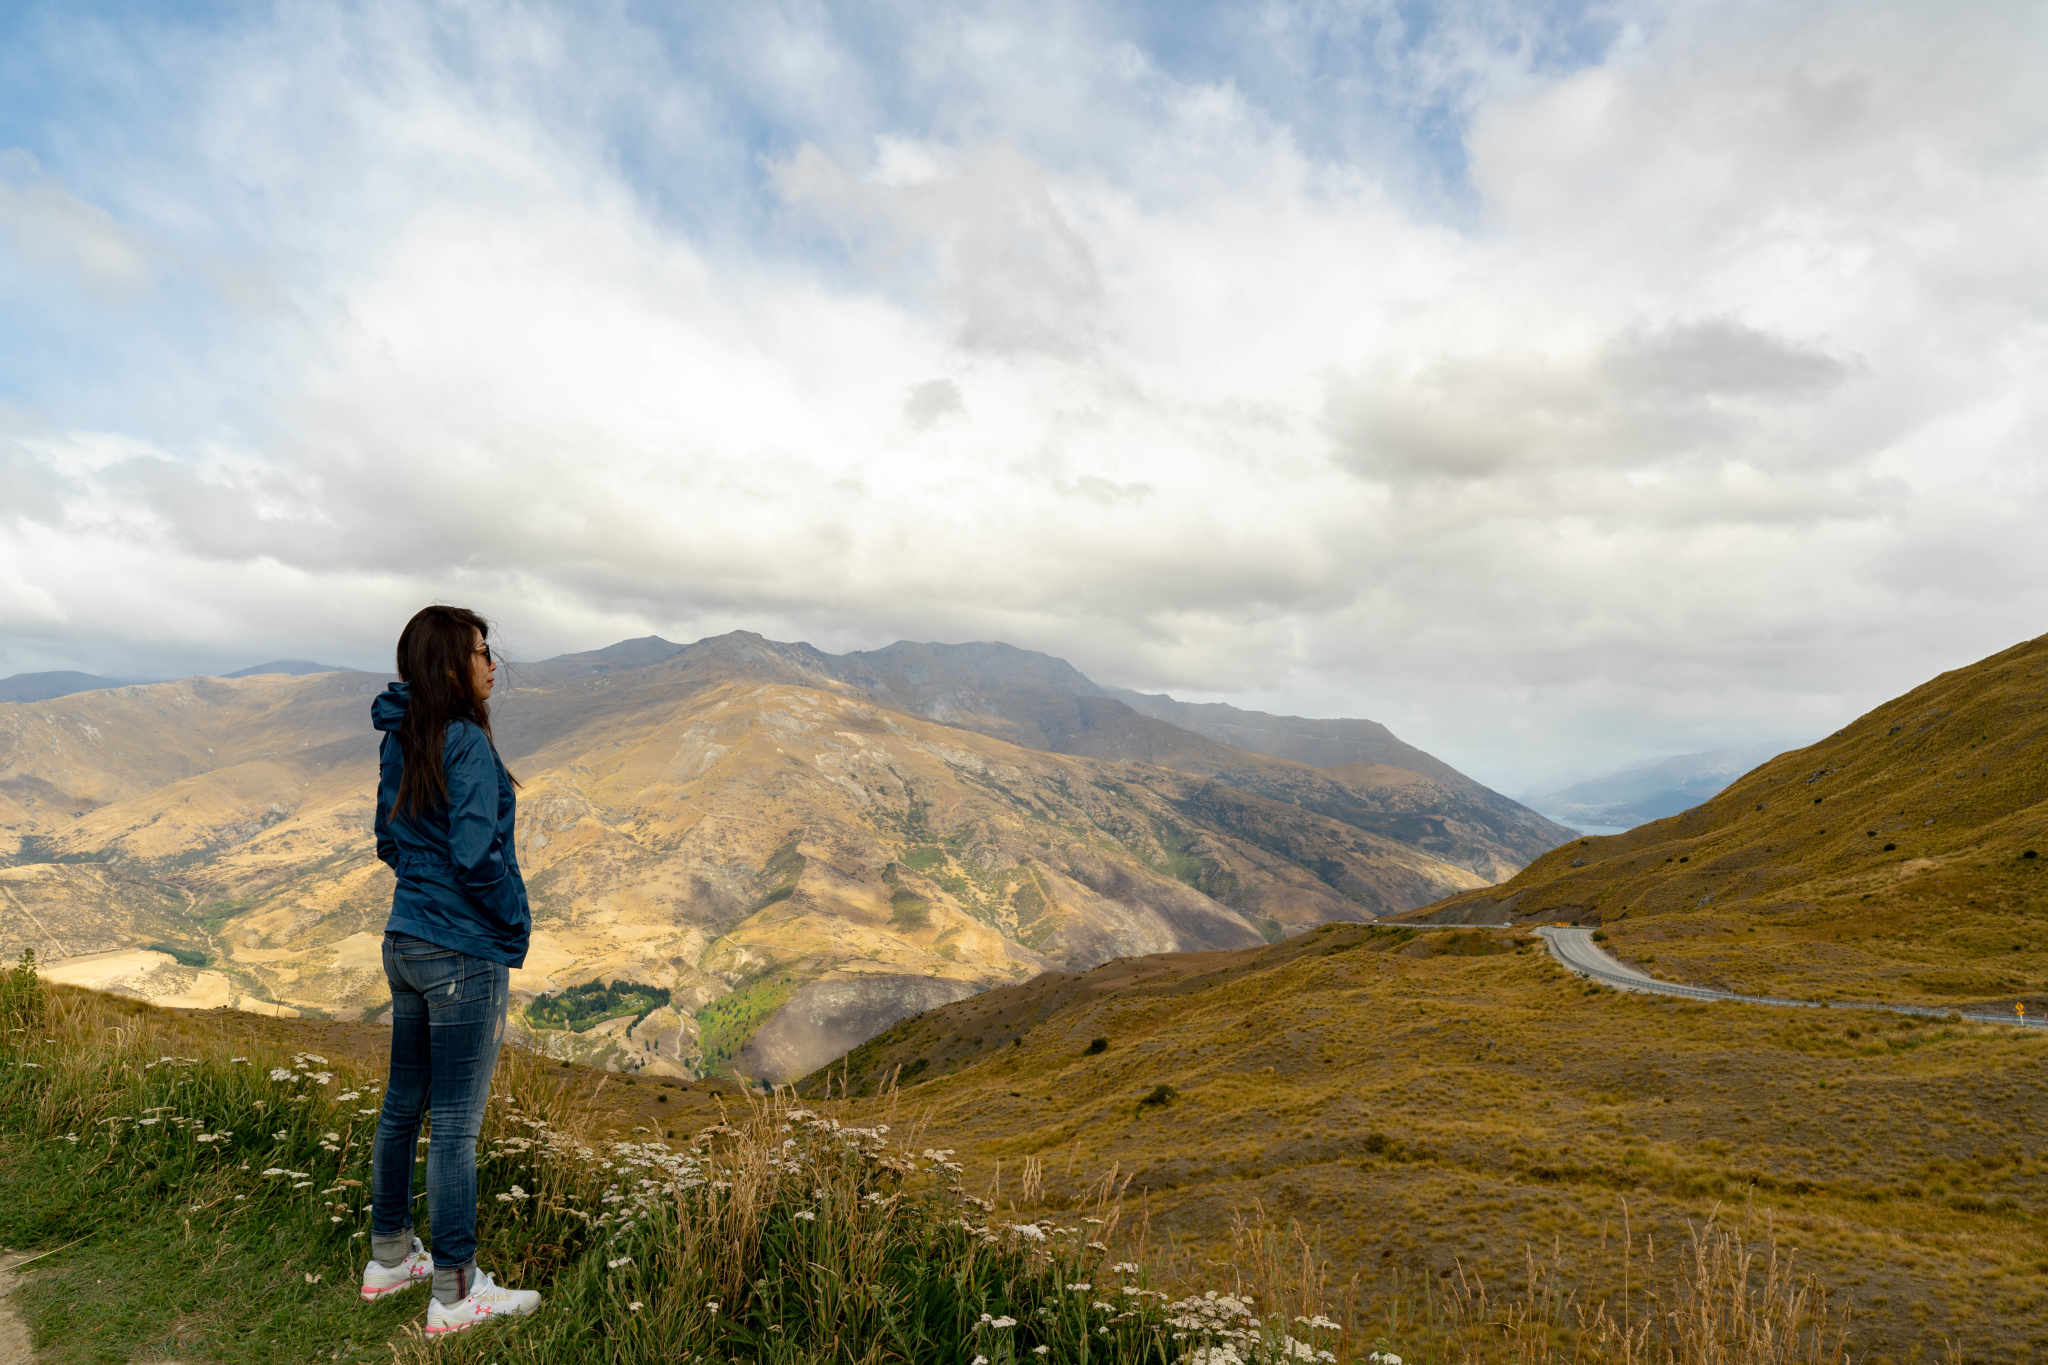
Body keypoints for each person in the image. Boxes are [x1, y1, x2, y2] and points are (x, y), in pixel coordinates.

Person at [358, 605, 540, 1334]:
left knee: (405, 1105)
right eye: (481, 650)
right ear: (449, 665)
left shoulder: (404, 735)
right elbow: (474, 854)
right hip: (461, 951)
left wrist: (426, 895)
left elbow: (389, 839)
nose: (493, 663)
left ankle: (391, 1255)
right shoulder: (463, 739)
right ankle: (457, 1292)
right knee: (457, 1126)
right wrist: (508, 919)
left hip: (405, 940)